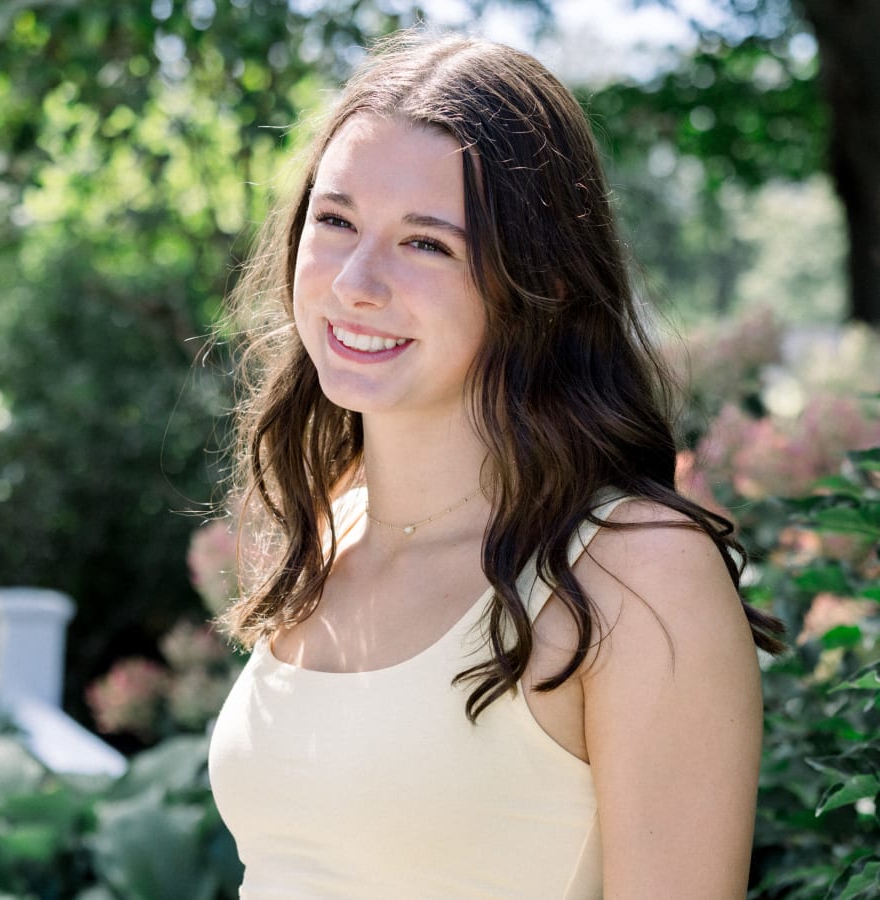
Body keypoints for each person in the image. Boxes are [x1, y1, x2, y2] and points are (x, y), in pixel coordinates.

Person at [207, 29, 785, 899]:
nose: (356, 280)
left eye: (427, 243)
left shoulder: (635, 573)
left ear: (534, 285)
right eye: (335, 221)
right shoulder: (332, 527)